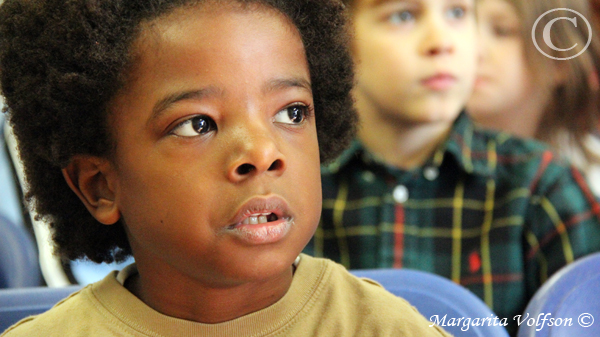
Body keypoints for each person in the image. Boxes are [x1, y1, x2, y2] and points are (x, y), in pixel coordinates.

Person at [0, 0, 451, 336]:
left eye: (292, 113)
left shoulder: (383, 329)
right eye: (198, 124)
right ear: (100, 187)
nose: (262, 151)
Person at [303, 0, 600, 333]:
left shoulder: (542, 186)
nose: (441, 42)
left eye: (457, 13)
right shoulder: (296, 184)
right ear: (338, 36)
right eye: (403, 16)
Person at [467, 0, 600, 195]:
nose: (472, 49)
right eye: (462, 26)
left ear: (560, 61)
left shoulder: (588, 183)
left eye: (502, 31)